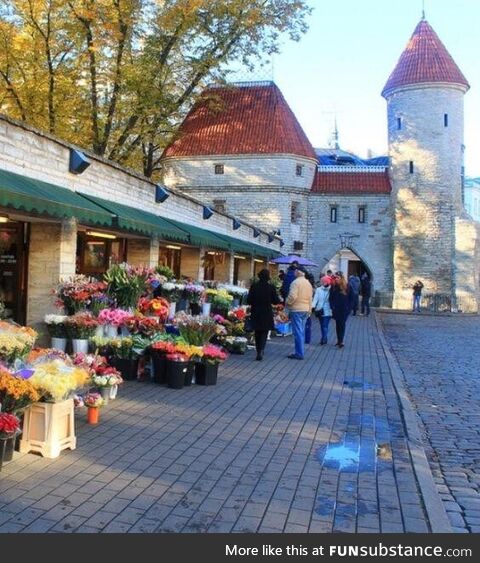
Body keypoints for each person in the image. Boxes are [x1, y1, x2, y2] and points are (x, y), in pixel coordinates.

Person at [247, 269, 281, 361]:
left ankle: (258, 350)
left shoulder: (254, 286)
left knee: (257, 332)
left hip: (256, 311)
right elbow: (275, 300)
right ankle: (261, 350)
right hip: (266, 312)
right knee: (264, 332)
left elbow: (249, 300)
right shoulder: (271, 287)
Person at [285, 269, 313, 360]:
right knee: (301, 331)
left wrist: (287, 302)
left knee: (297, 332)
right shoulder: (308, 283)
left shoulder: (295, 283)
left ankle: (299, 353)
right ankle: (300, 351)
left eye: (295, 271)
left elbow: (293, 296)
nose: (294, 272)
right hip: (305, 309)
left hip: (296, 309)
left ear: (298, 272)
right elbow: (310, 298)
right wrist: (309, 309)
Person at [329, 273, 354, 348]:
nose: (336, 279)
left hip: (344, 309)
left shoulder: (348, 287)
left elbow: (352, 299)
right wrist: (332, 306)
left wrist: (349, 308)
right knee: (337, 325)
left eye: (338, 278)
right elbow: (331, 298)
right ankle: (339, 340)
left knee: (342, 324)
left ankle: (341, 341)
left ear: (341, 278)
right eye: (336, 278)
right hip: (336, 309)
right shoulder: (333, 287)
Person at [312, 275, 333, 345]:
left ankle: (324, 339)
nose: (323, 283)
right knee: (322, 325)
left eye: (324, 281)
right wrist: (312, 306)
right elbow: (315, 299)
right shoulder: (318, 289)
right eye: (322, 281)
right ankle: (324, 337)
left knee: (325, 325)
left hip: (328, 310)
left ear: (328, 282)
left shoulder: (332, 290)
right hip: (320, 310)